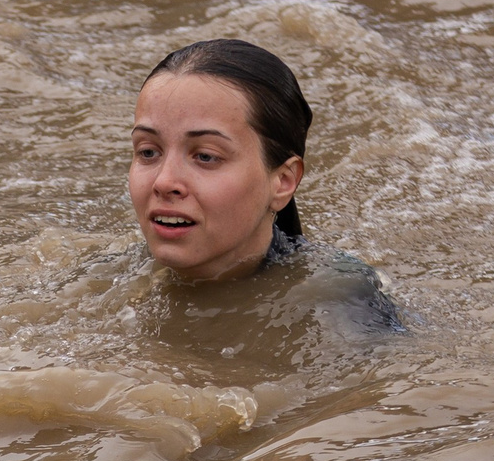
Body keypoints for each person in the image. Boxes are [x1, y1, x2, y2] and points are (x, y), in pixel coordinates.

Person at [129, 37, 400, 328]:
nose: (165, 181)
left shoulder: (339, 305)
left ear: (282, 182)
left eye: (206, 156)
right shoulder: (102, 280)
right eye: (148, 152)